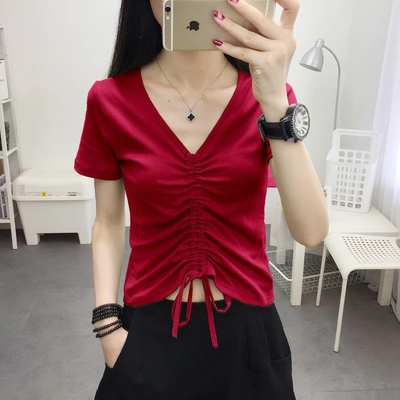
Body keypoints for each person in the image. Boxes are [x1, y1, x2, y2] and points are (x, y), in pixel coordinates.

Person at [74, 0, 329, 399]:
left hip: (248, 336)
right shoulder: (110, 100)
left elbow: (311, 232)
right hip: (148, 333)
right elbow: (107, 223)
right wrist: (108, 326)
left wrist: (275, 100)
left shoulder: (266, 100)